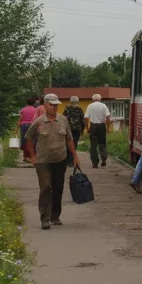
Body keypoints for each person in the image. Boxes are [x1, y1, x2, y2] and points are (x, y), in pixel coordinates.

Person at [24, 94, 79, 229]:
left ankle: (55, 216)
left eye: (56, 105)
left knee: (58, 188)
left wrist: (75, 156)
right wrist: (32, 156)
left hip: (60, 159)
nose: (54, 107)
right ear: (45, 105)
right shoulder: (38, 122)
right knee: (45, 188)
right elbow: (29, 138)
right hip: (43, 161)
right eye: (51, 105)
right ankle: (45, 218)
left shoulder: (63, 120)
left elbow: (69, 140)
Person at [85, 93, 112, 168]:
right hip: (101, 126)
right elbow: (108, 117)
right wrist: (108, 127)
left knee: (93, 145)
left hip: (93, 126)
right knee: (102, 143)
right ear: (100, 99)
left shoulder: (90, 106)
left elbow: (86, 118)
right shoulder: (103, 106)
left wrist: (87, 127)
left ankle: (95, 163)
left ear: (93, 99)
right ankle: (103, 159)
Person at [63, 96, 85, 167]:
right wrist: (82, 129)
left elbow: (64, 118)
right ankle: (72, 161)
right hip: (77, 129)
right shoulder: (80, 109)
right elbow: (82, 120)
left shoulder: (67, 108)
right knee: (74, 144)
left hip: (68, 129)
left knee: (67, 143)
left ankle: (66, 161)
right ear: (77, 101)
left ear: (70, 101)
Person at [18, 97, 38, 164]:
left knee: (24, 141)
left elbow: (20, 119)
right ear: (34, 103)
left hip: (23, 126)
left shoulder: (23, 110)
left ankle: (26, 157)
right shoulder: (35, 110)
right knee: (32, 141)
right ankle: (31, 156)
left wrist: (16, 128)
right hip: (32, 126)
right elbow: (36, 119)